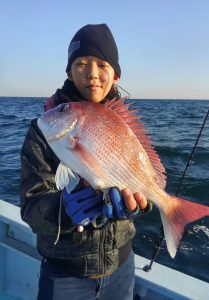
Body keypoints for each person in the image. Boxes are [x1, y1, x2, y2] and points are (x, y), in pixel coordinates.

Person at [20, 23, 152, 300]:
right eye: (81, 63)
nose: (92, 73)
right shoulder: (43, 131)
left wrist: (138, 205)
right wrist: (63, 212)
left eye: (102, 64)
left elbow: (143, 184)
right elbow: (30, 206)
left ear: (115, 74)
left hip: (121, 265)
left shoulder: (126, 126)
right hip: (65, 272)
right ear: (69, 71)